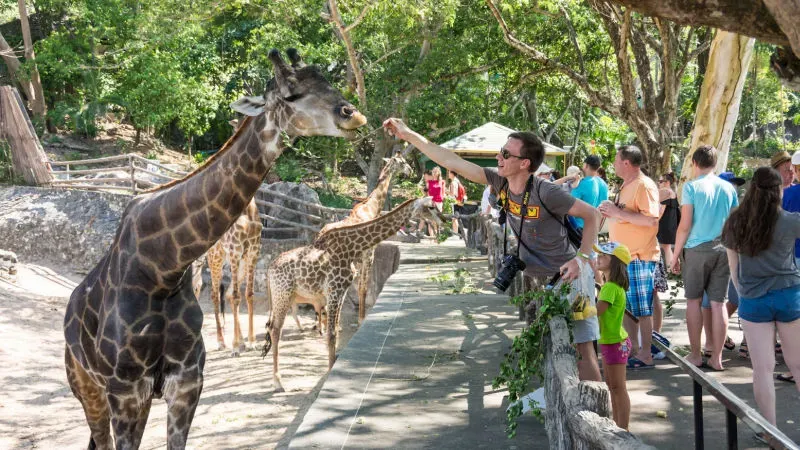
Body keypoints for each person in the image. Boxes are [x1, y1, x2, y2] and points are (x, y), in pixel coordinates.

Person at [383, 117, 603, 381]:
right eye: (501, 150)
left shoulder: (546, 192)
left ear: (524, 163)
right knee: (555, 345)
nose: (499, 157)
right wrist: (409, 134)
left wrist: (581, 258)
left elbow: (592, 215)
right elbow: (451, 161)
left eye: (506, 154)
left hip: (572, 279)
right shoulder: (499, 184)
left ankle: (593, 409)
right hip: (543, 281)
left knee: (583, 350)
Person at [721, 166, 800, 428]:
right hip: (790, 295)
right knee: (798, 365)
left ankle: (770, 431)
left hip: (753, 299)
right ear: (778, 191)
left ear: (752, 189)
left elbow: (734, 270)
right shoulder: (791, 221)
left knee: (762, 370)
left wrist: (744, 293)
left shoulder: (736, 221)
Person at [670, 145, 738, 371]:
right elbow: (734, 222)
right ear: (715, 164)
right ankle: (717, 358)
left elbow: (684, 225)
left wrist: (675, 254)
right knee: (719, 304)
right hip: (723, 248)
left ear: (694, 163)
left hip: (697, 249)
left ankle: (696, 354)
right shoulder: (729, 188)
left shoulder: (691, 187)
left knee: (693, 301)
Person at [598, 145, 661, 370]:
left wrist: (617, 213)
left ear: (626, 163)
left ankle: (646, 354)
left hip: (640, 256)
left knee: (642, 309)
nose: (613, 164)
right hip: (625, 256)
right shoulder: (627, 185)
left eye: (616, 160)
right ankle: (633, 349)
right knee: (627, 308)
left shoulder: (644, 185)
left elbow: (651, 221)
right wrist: (612, 210)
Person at [595, 241, 632, 430]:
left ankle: (623, 429)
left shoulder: (609, 288)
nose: (598, 258)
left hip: (615, 342)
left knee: (618, 388)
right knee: (613, 386)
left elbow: (596, 311)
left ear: (615, 262)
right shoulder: (610, 285)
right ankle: (618, 425)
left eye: (603, 256)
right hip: (612, 341)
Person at [570, 155, 609, 232]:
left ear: (586, 165)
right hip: (595, 226)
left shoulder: (581, 184)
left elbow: (569, 205)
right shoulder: (603, 183)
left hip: (580, 228)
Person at [448, 170, 466, 236]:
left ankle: (455, 234)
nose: (448, 174)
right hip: (458, 201)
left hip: (454, 202)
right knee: (456, 218)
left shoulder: (453, 182)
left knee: (454, 218)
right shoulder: (457, 181)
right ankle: (456, 233)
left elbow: (452, 194)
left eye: (449, 173)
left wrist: (446, 191)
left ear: (452, 174)